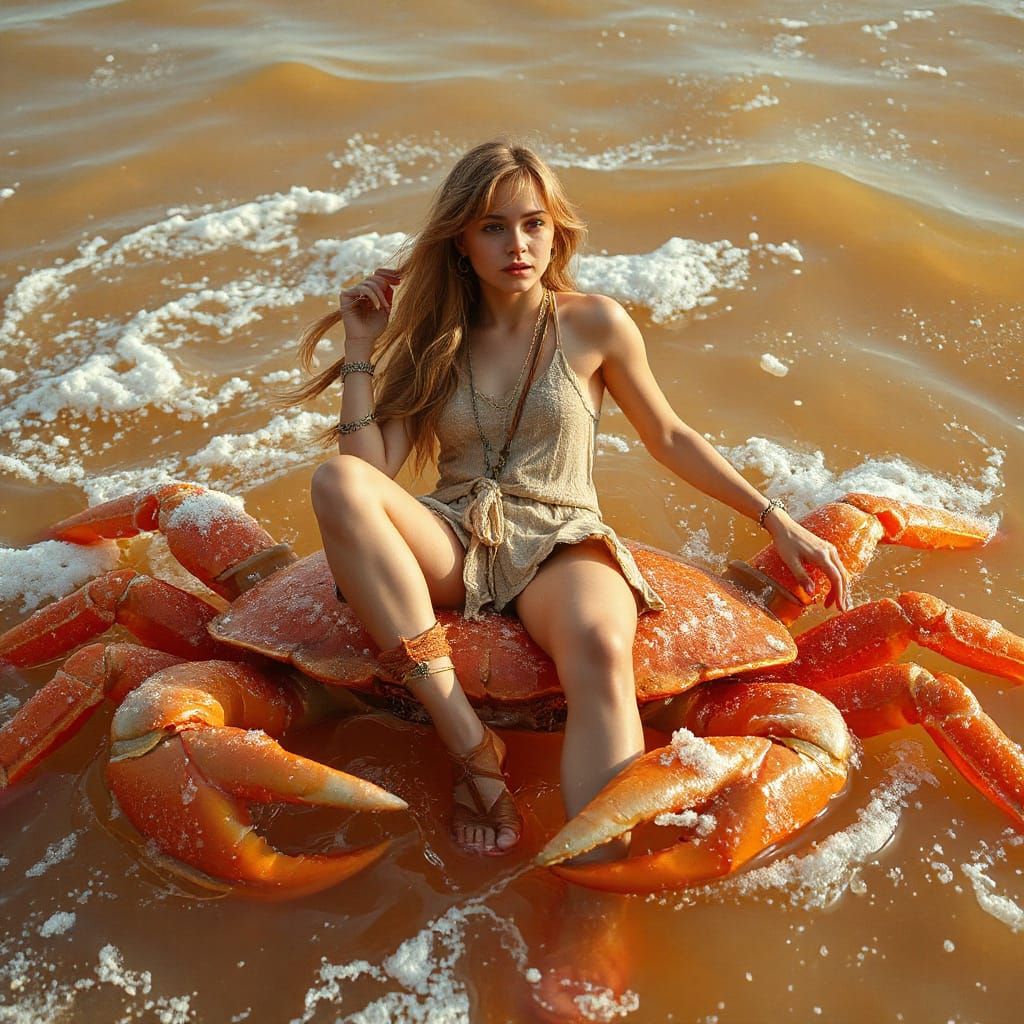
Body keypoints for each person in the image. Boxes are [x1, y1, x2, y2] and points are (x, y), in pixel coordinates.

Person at [284, 138, 849, 860]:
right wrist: (362, 348)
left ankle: (598, 868)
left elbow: (669, 435)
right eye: (493, 226)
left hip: (559, 541)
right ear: (460, 240)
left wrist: (777, 520)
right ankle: (471, 749)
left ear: (557, 229)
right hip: (455, 534)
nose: (517, 244)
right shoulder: (435, 340)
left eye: (533, 223)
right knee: (334, 482)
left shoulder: (593, 323)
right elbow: (368, 471)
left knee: (598, 645)